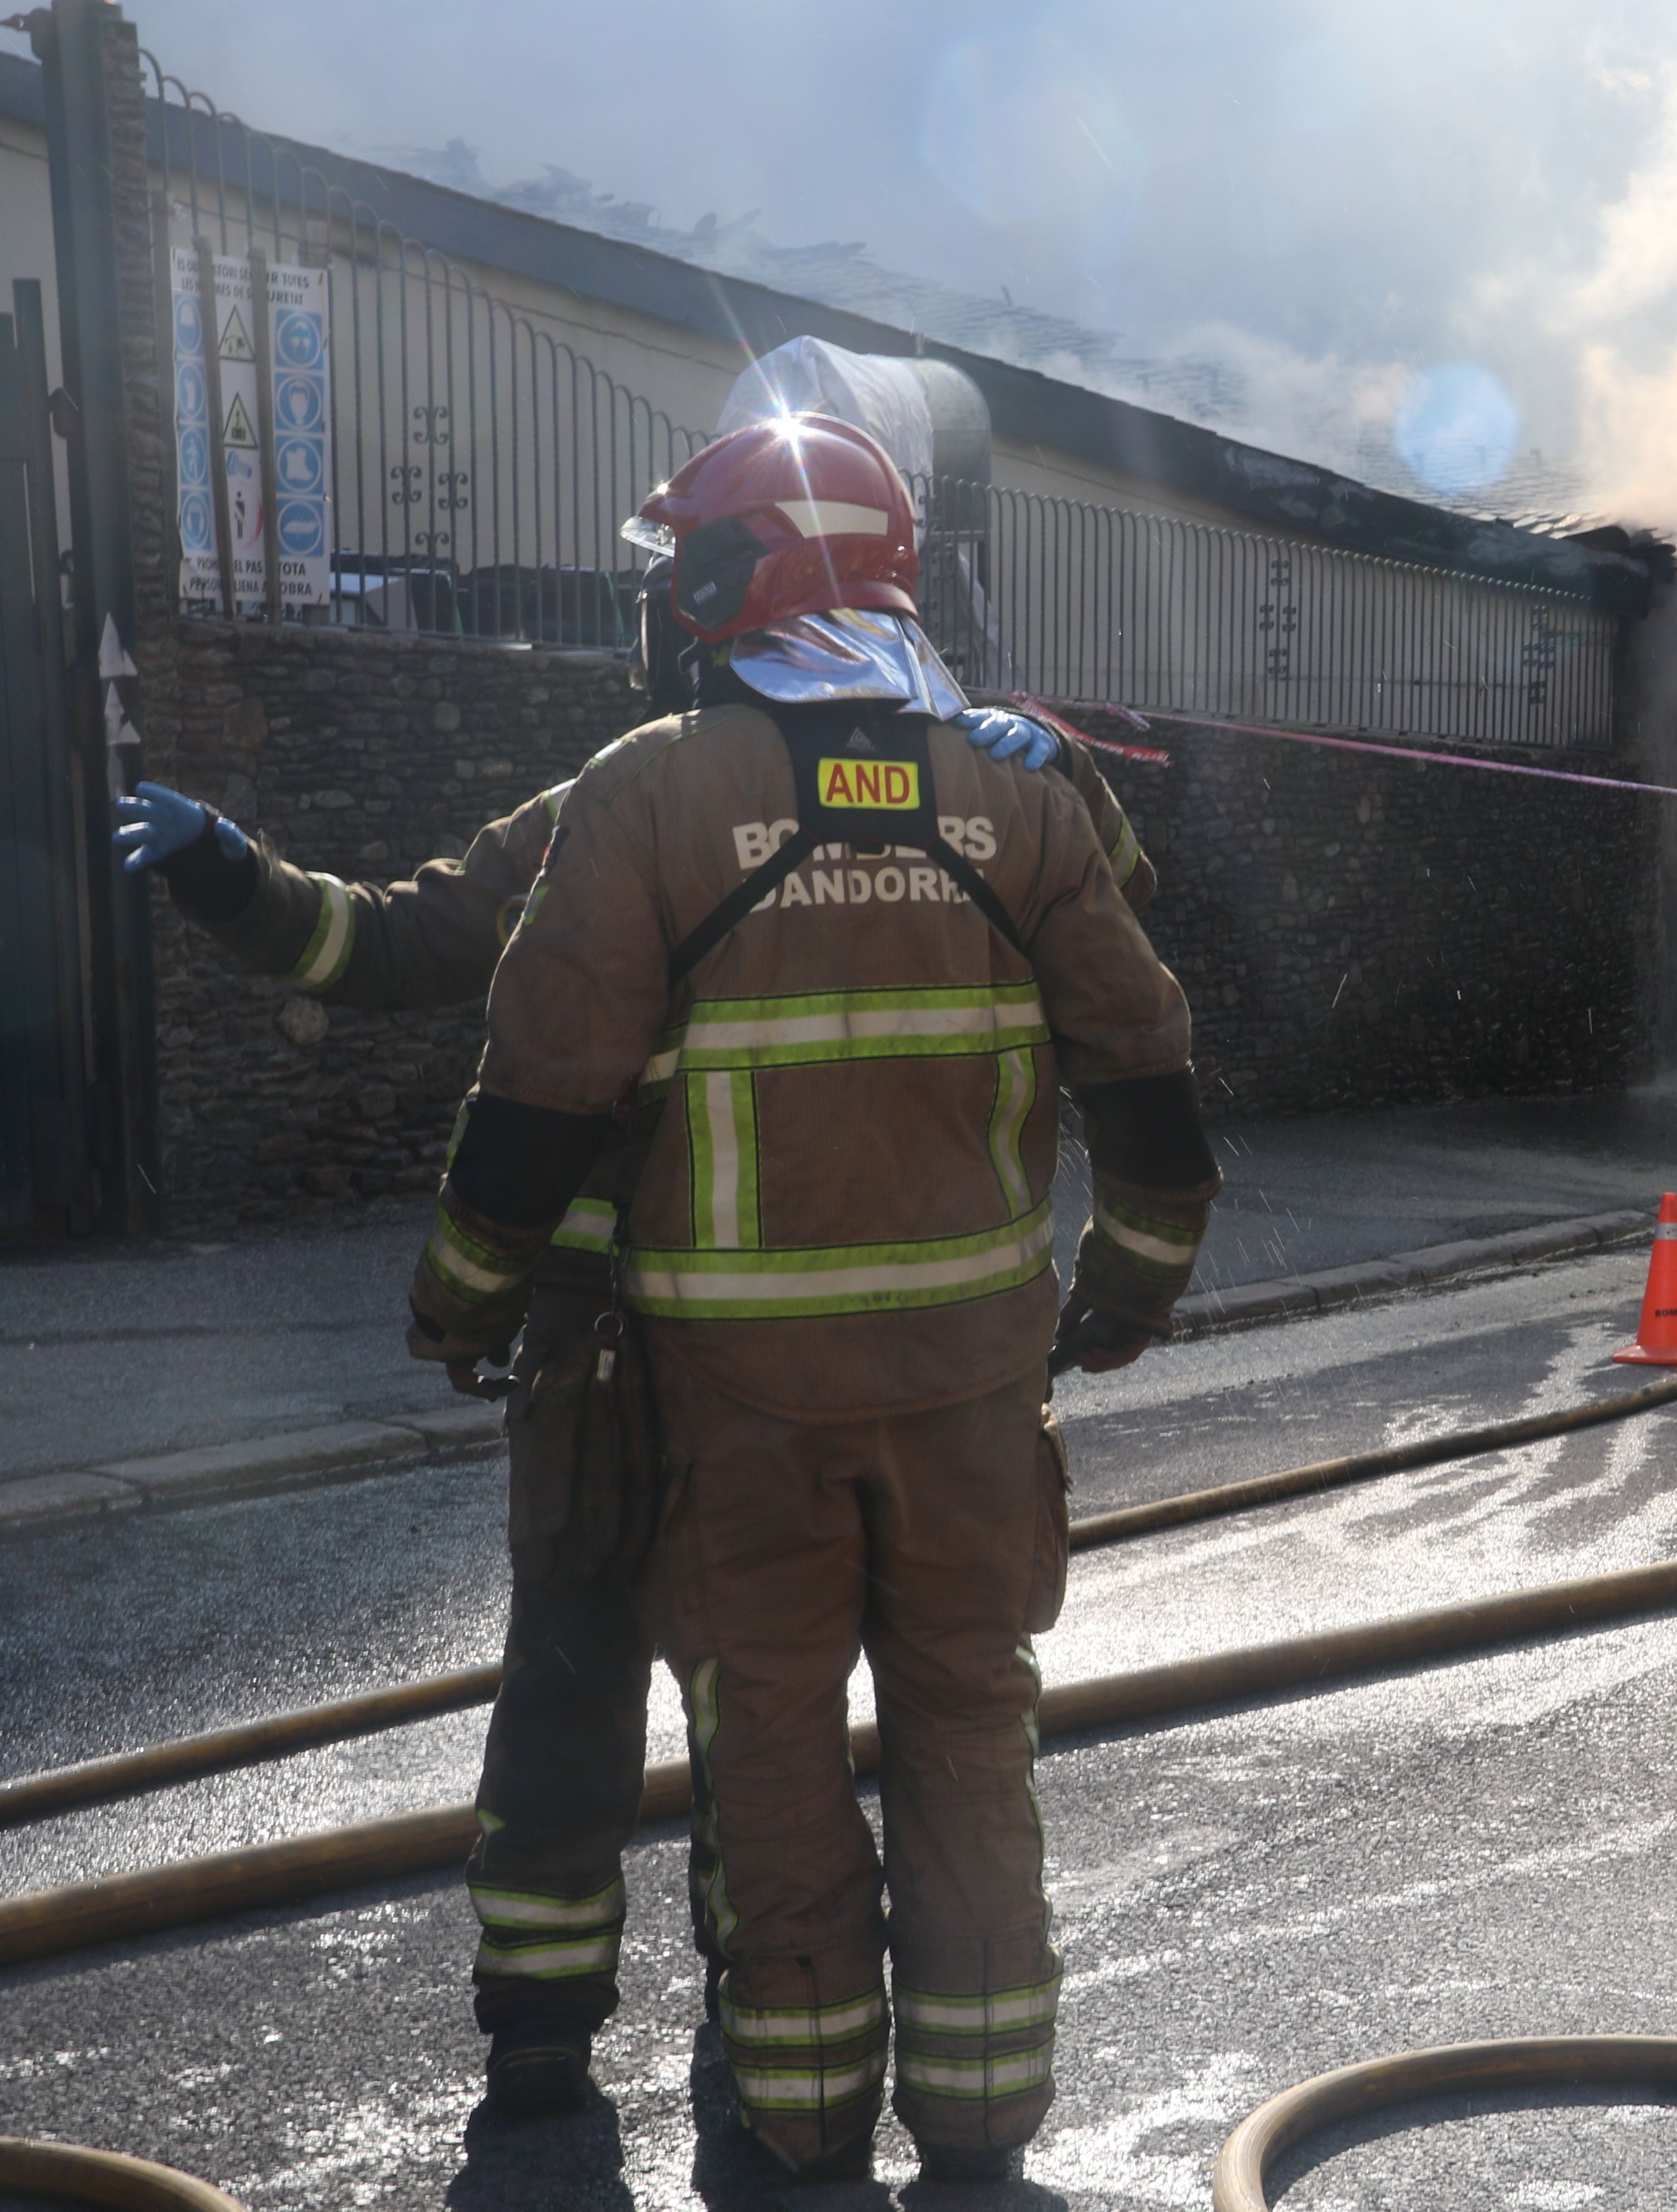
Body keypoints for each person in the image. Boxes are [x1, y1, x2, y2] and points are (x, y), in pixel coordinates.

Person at [113, 670, 1146, 2126]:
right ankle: (548, 2023)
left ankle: (774, 1999)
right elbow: (395, 936)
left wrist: (1076, 772)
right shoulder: (617, 798)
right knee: (578, 1678)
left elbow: (1085, 901)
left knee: (757, 1708)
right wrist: (233, 877)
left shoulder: (894, 797)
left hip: (746, 1354)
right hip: (611, 1352)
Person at [393, 414, 1212, 2183]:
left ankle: (801, 2132)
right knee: (972, 1742)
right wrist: (1132, 1283)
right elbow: (1146, 1056)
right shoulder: (1017, 793)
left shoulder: (651, 792)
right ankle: (986, 2122)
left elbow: (538, 1092)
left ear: (726, 581)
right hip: (979, 1396)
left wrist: (459, 1305)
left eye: (677, 571)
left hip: (742, 1404)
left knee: (767, 1759)